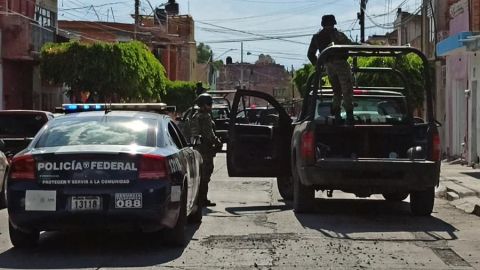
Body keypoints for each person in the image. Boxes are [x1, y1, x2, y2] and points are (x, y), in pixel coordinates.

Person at [307, 14, 354, 125]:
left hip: (328, 65)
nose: (330, 27)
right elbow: (349, 47)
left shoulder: (317, 36)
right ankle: (349, 115)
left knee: (337, 91)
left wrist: (319, 65)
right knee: (346, 89)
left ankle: (337, 115)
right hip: (340, 64)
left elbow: (310, 54)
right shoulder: (338, 35)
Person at [190, 93, 222, 207]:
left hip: (197, 149)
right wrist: (218, 142)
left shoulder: (195, 116)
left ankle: (199, 198)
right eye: (209, 104)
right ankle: (202, 199)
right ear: (203, 105)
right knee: (205, 175)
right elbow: (209, 135)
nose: (210, 106)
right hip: (205, 150)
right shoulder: (205, 117)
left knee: (200, 175)